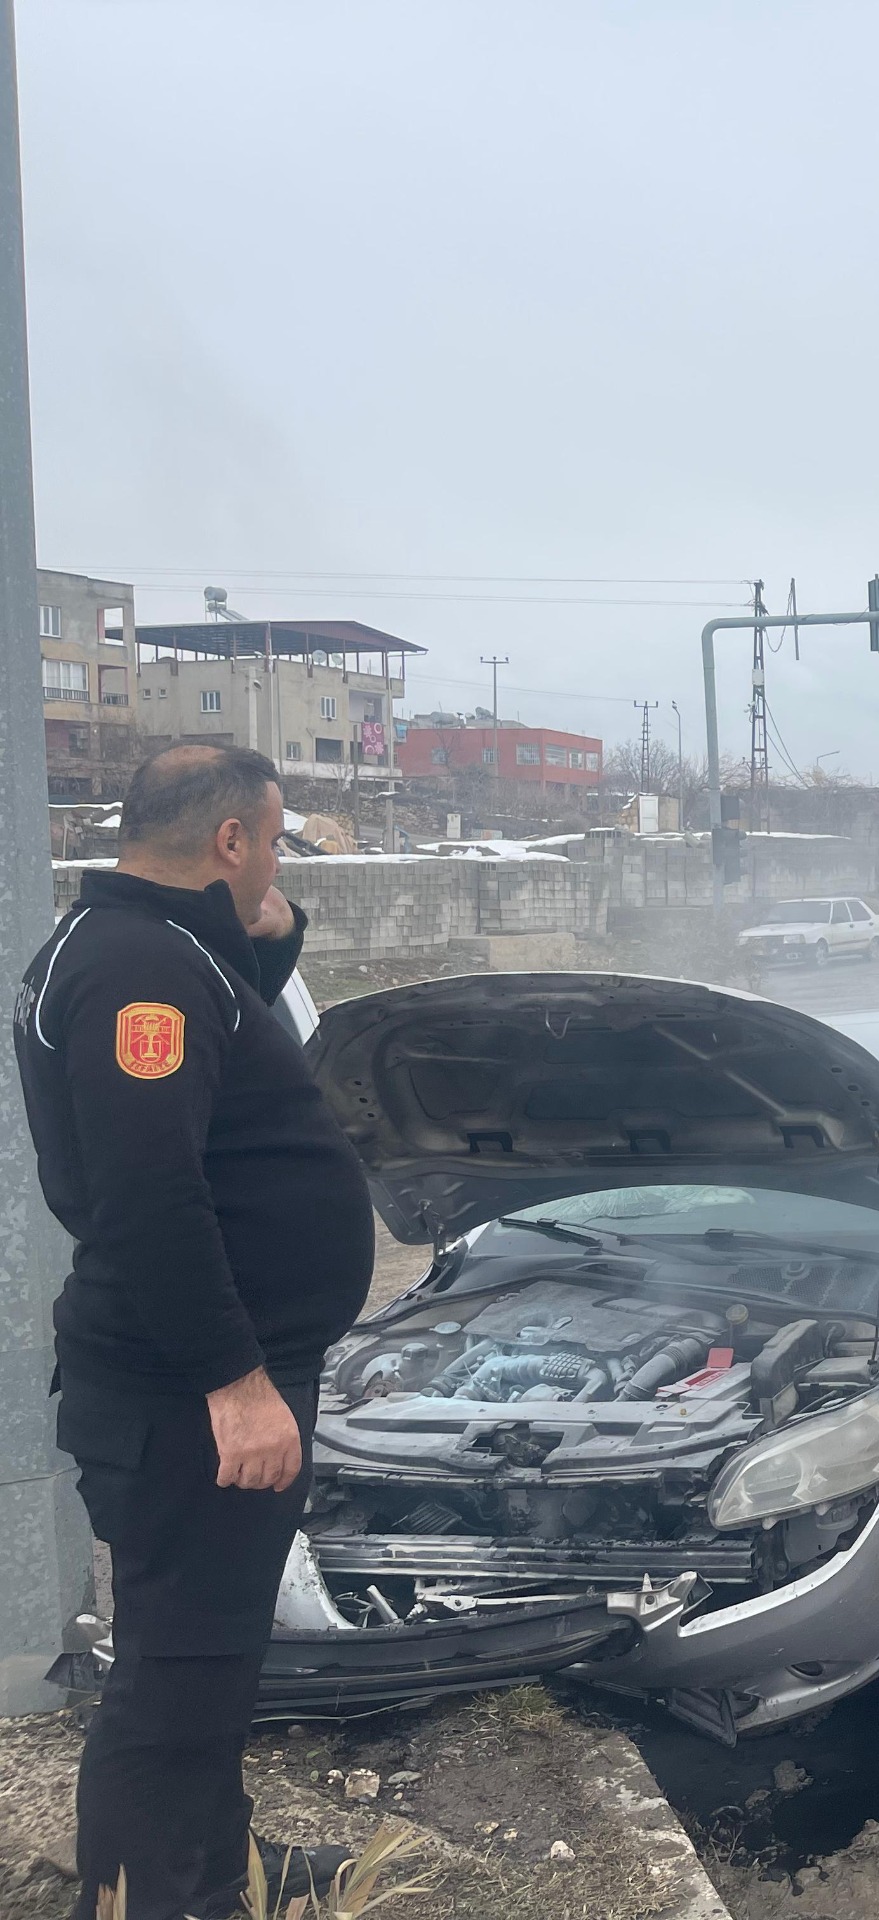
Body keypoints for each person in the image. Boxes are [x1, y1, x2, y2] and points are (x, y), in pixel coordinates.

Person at [15, 746, 377, 1920]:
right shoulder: (138, 975)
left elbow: (228, 1060)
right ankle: (151, 1902)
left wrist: (268, 937)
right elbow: (149, 1193)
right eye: (269, 841)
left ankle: (217, 1872)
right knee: (176, 1677)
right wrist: (234, 1380)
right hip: (189, 1395)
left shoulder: (154, 947)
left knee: (211, 1661)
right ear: (229, 840)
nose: (274, 860)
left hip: (198, 1379)